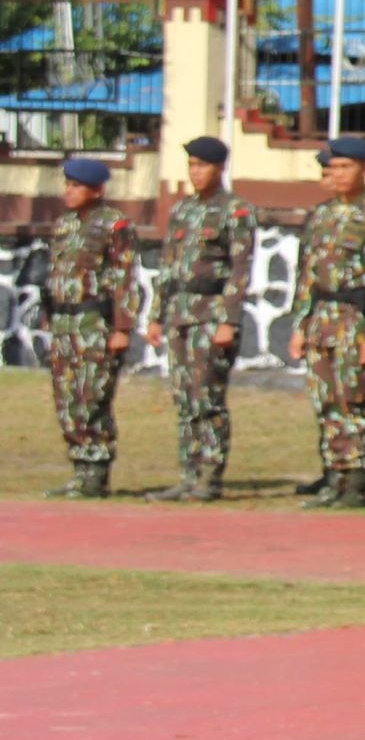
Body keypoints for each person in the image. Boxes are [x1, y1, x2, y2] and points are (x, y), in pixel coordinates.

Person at [287, 138, 365, 509]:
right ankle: (333, 473)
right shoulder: (322, 214)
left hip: (355, 321)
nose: (336, 174)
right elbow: (306, 274)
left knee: (352, 400)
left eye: (345, 167)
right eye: (332, 168)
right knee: (324, 400)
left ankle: (356, 480)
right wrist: (300, 325)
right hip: (322, 320)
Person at [144, 137, 256, 502]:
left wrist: (229, 320)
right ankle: (188, 473)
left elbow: (240, 270)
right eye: (191, 165)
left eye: (202, 165)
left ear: (219, 167)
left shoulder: (236, 211)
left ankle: (210, 475)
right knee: (184, 397)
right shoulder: (182, 210)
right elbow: (168, 267)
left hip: (211, 315)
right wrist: (156, 316)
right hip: (180, 314)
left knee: (208, 396)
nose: (195, 172)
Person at [38, 158, 136, 499]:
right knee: (66, 399)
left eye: (76, 185)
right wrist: (48, 314)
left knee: (92, 396)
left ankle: (97, 470)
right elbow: (57, 273)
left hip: (95, 325)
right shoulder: (65, 224)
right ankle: (79, 468)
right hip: (65, 325)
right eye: (67, 185)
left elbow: (126, 278)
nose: (69, 191)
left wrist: (122, 328)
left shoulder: (114, 224)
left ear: (97, 190)